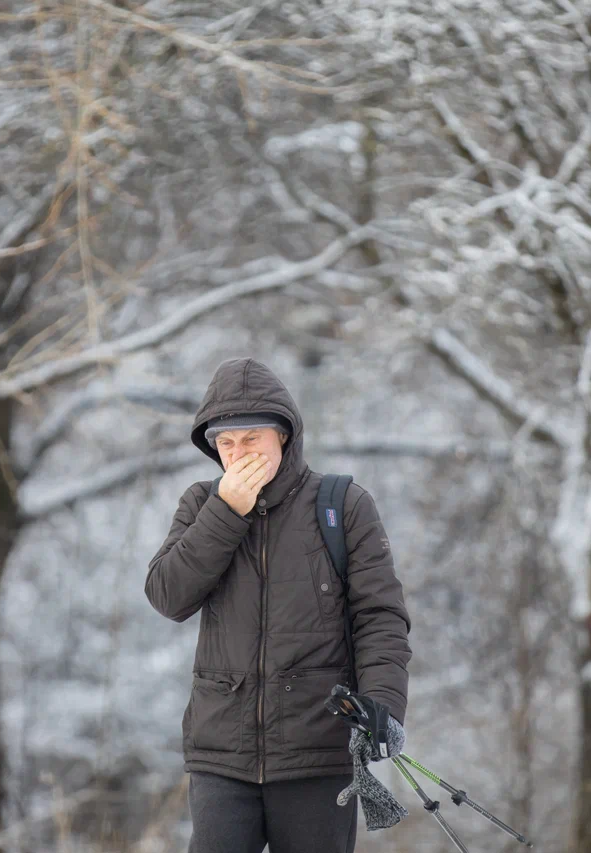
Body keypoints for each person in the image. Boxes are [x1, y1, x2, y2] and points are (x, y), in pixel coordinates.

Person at [145, 357, 412, 853]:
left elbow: (380, 618)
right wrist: (226, 513)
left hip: (317, 750)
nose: (238, 453)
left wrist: (383, 706)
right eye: (226, 442)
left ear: (283, 435)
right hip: (221, 755)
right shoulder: (200, 505)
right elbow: (167, 596)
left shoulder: (343, 505)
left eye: (252, 438)